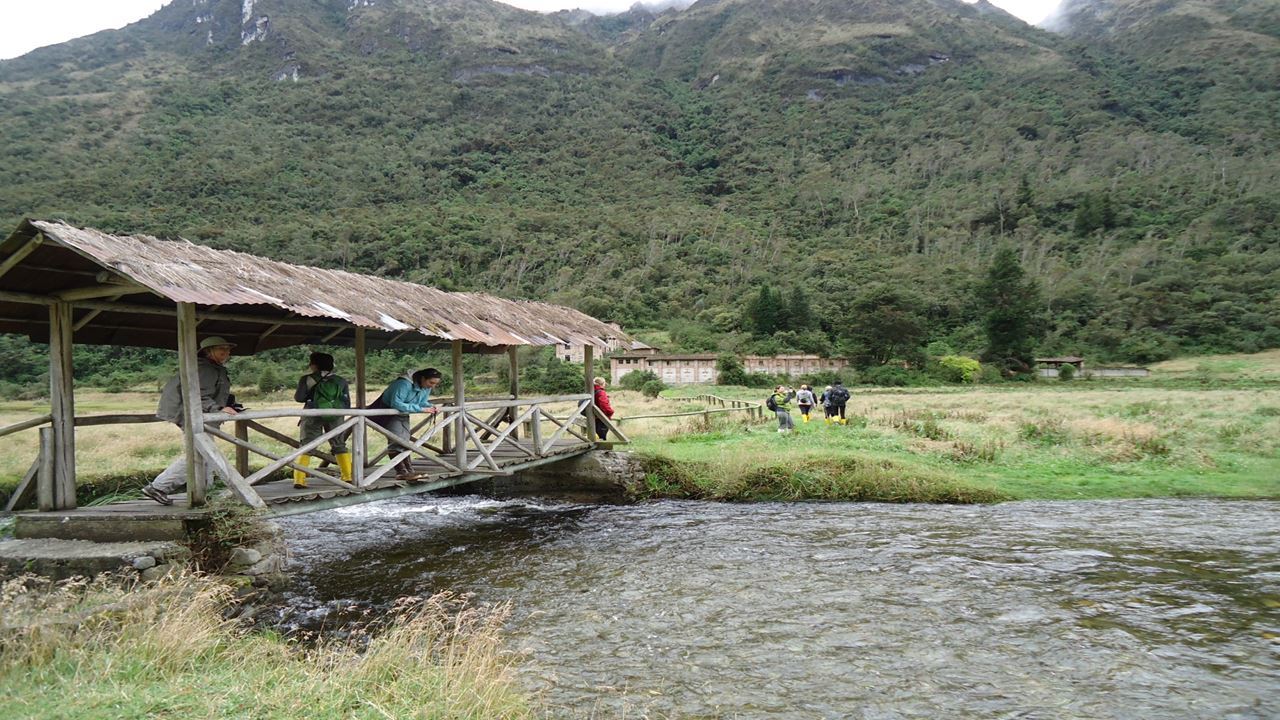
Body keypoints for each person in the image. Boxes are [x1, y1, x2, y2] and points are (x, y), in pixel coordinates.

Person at [141, 336, 239, 505]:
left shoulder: (212, 367)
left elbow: (213, 392)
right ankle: (158, 487)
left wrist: (227, 405)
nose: (226, 352)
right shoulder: (205, 368)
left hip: (198, 414)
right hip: (193, 415)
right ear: (209, 351)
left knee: (206, 453)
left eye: (228, 349)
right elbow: (198, 395)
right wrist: (217, 408)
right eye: (221, 349)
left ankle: (205, 493)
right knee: (200, 453)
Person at [292, 352, 352, 489]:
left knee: (307, 445)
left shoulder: (307, 379)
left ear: (314, 365)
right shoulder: (341, 380)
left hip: (312, 414)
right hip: (335, 415)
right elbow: (346, 402)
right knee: (339, 444)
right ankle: (347, 477)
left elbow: (299, 398)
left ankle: (299, 480)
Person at [373, 368, 441, 477]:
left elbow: (422, 402)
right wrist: (420, 409)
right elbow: (396, 403)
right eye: (431, 383)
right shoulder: (403, 384)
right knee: (397, 441)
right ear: (423, 378)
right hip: (388, 413)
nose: (432, 386)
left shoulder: (425, 387)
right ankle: (401, 472)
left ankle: (409, 471)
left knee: (405, 441)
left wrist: (431, 406)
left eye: (435, 384)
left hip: (403, 414)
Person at [592, 376, 615, 441]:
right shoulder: (601, 392)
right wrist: (610, 412)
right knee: (602, 438)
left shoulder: (592, 391)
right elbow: (604, 405)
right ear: (602, 384)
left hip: (594, 418)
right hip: (602, 418)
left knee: (596, 438)